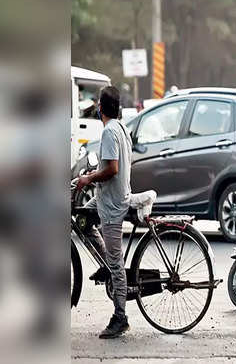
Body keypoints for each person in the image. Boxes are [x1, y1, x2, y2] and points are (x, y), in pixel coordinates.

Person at [75, 86, 133, 339]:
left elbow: (112, 169)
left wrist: (88, 179)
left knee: (117, 264)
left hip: (112, 205)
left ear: (100, 107)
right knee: (83, 221)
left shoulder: (110, 131)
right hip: (105, 199)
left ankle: (120, 317)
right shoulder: (121, 127)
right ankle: (104, 263)